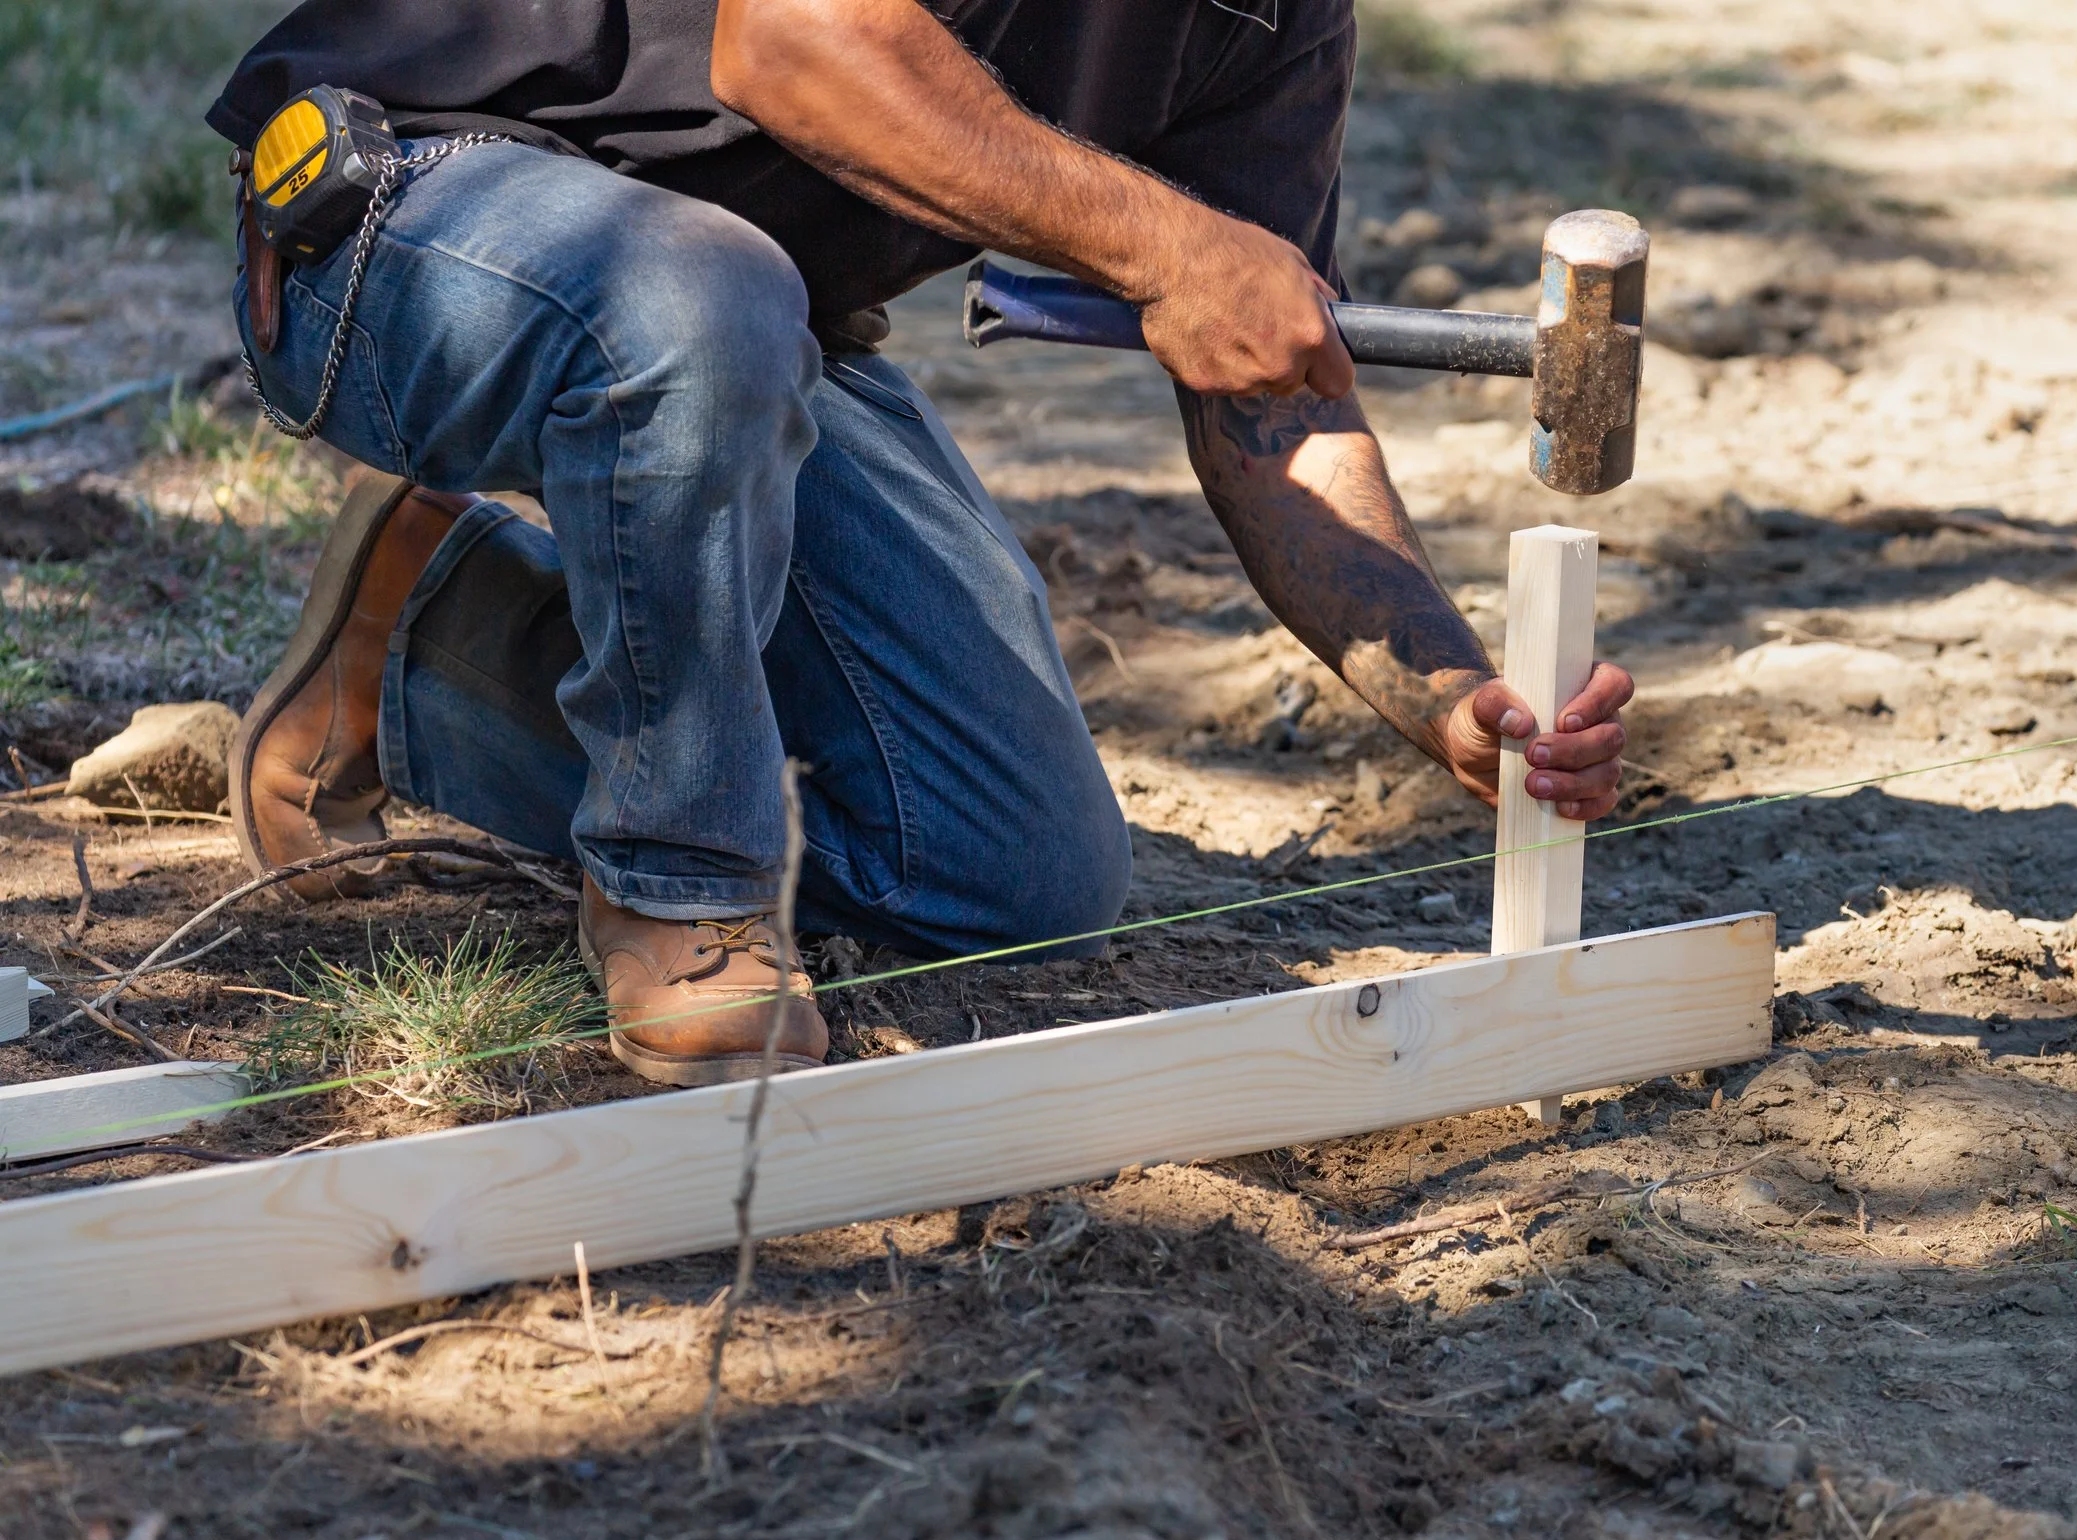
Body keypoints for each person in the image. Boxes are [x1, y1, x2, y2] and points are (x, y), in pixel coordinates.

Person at [207, 0, 1635, 1088]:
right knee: (701, 303)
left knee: (1018, 870)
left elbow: (1272, 406)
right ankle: (678, 889)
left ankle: (430, 642)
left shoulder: (1270, 19)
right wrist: (1163, 249)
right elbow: (798, 41)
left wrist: (1452, 694)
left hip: (750, 342)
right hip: (413, 215)